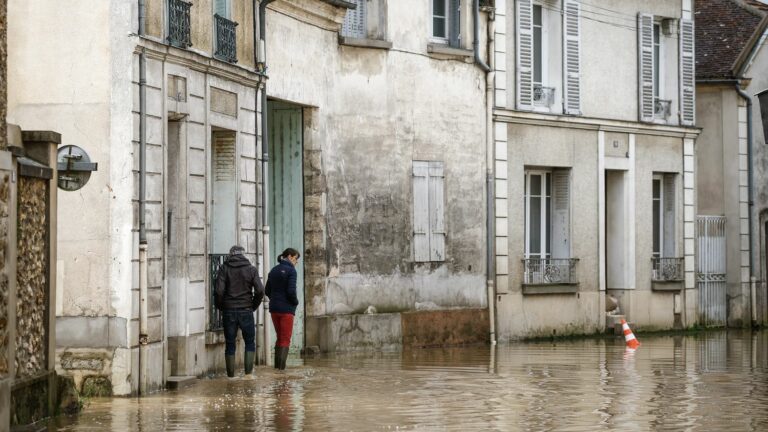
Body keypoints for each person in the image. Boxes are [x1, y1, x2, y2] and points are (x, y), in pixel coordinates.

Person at [215, 245, 265, 378]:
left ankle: (230, 377)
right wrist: (252, 306)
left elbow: (219, 291)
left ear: (231, 254)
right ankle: (248, 375)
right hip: (246, 310)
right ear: (243, 254)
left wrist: (221, 306)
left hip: (229, 311)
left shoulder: (224, 268)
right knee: (249, 342)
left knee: (230, 343)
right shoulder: (251, 269)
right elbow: (260, 291)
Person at [265, 248, 300, 370]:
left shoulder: (273, 270)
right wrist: (295, 302)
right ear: (290, 257)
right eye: (296, 259)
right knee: (285, 339)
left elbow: (267, 291)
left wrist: (275, 299)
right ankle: (281, 371)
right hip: (286, 310)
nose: (296, 262)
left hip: (274, 309)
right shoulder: (291, 271)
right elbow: (291, 291)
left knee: (279, 337)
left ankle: (277, 370)